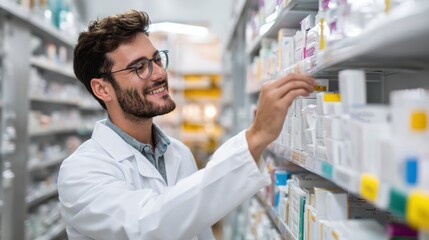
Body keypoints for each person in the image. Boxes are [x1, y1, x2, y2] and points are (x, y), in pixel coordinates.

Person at [58, 10, 315, 240]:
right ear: (102, 89)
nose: (159, 73)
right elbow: (148, 226)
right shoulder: (81, 171)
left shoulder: (178, 153)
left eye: (157, 60)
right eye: (139, 68)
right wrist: (256, 136)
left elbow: (197, 229)